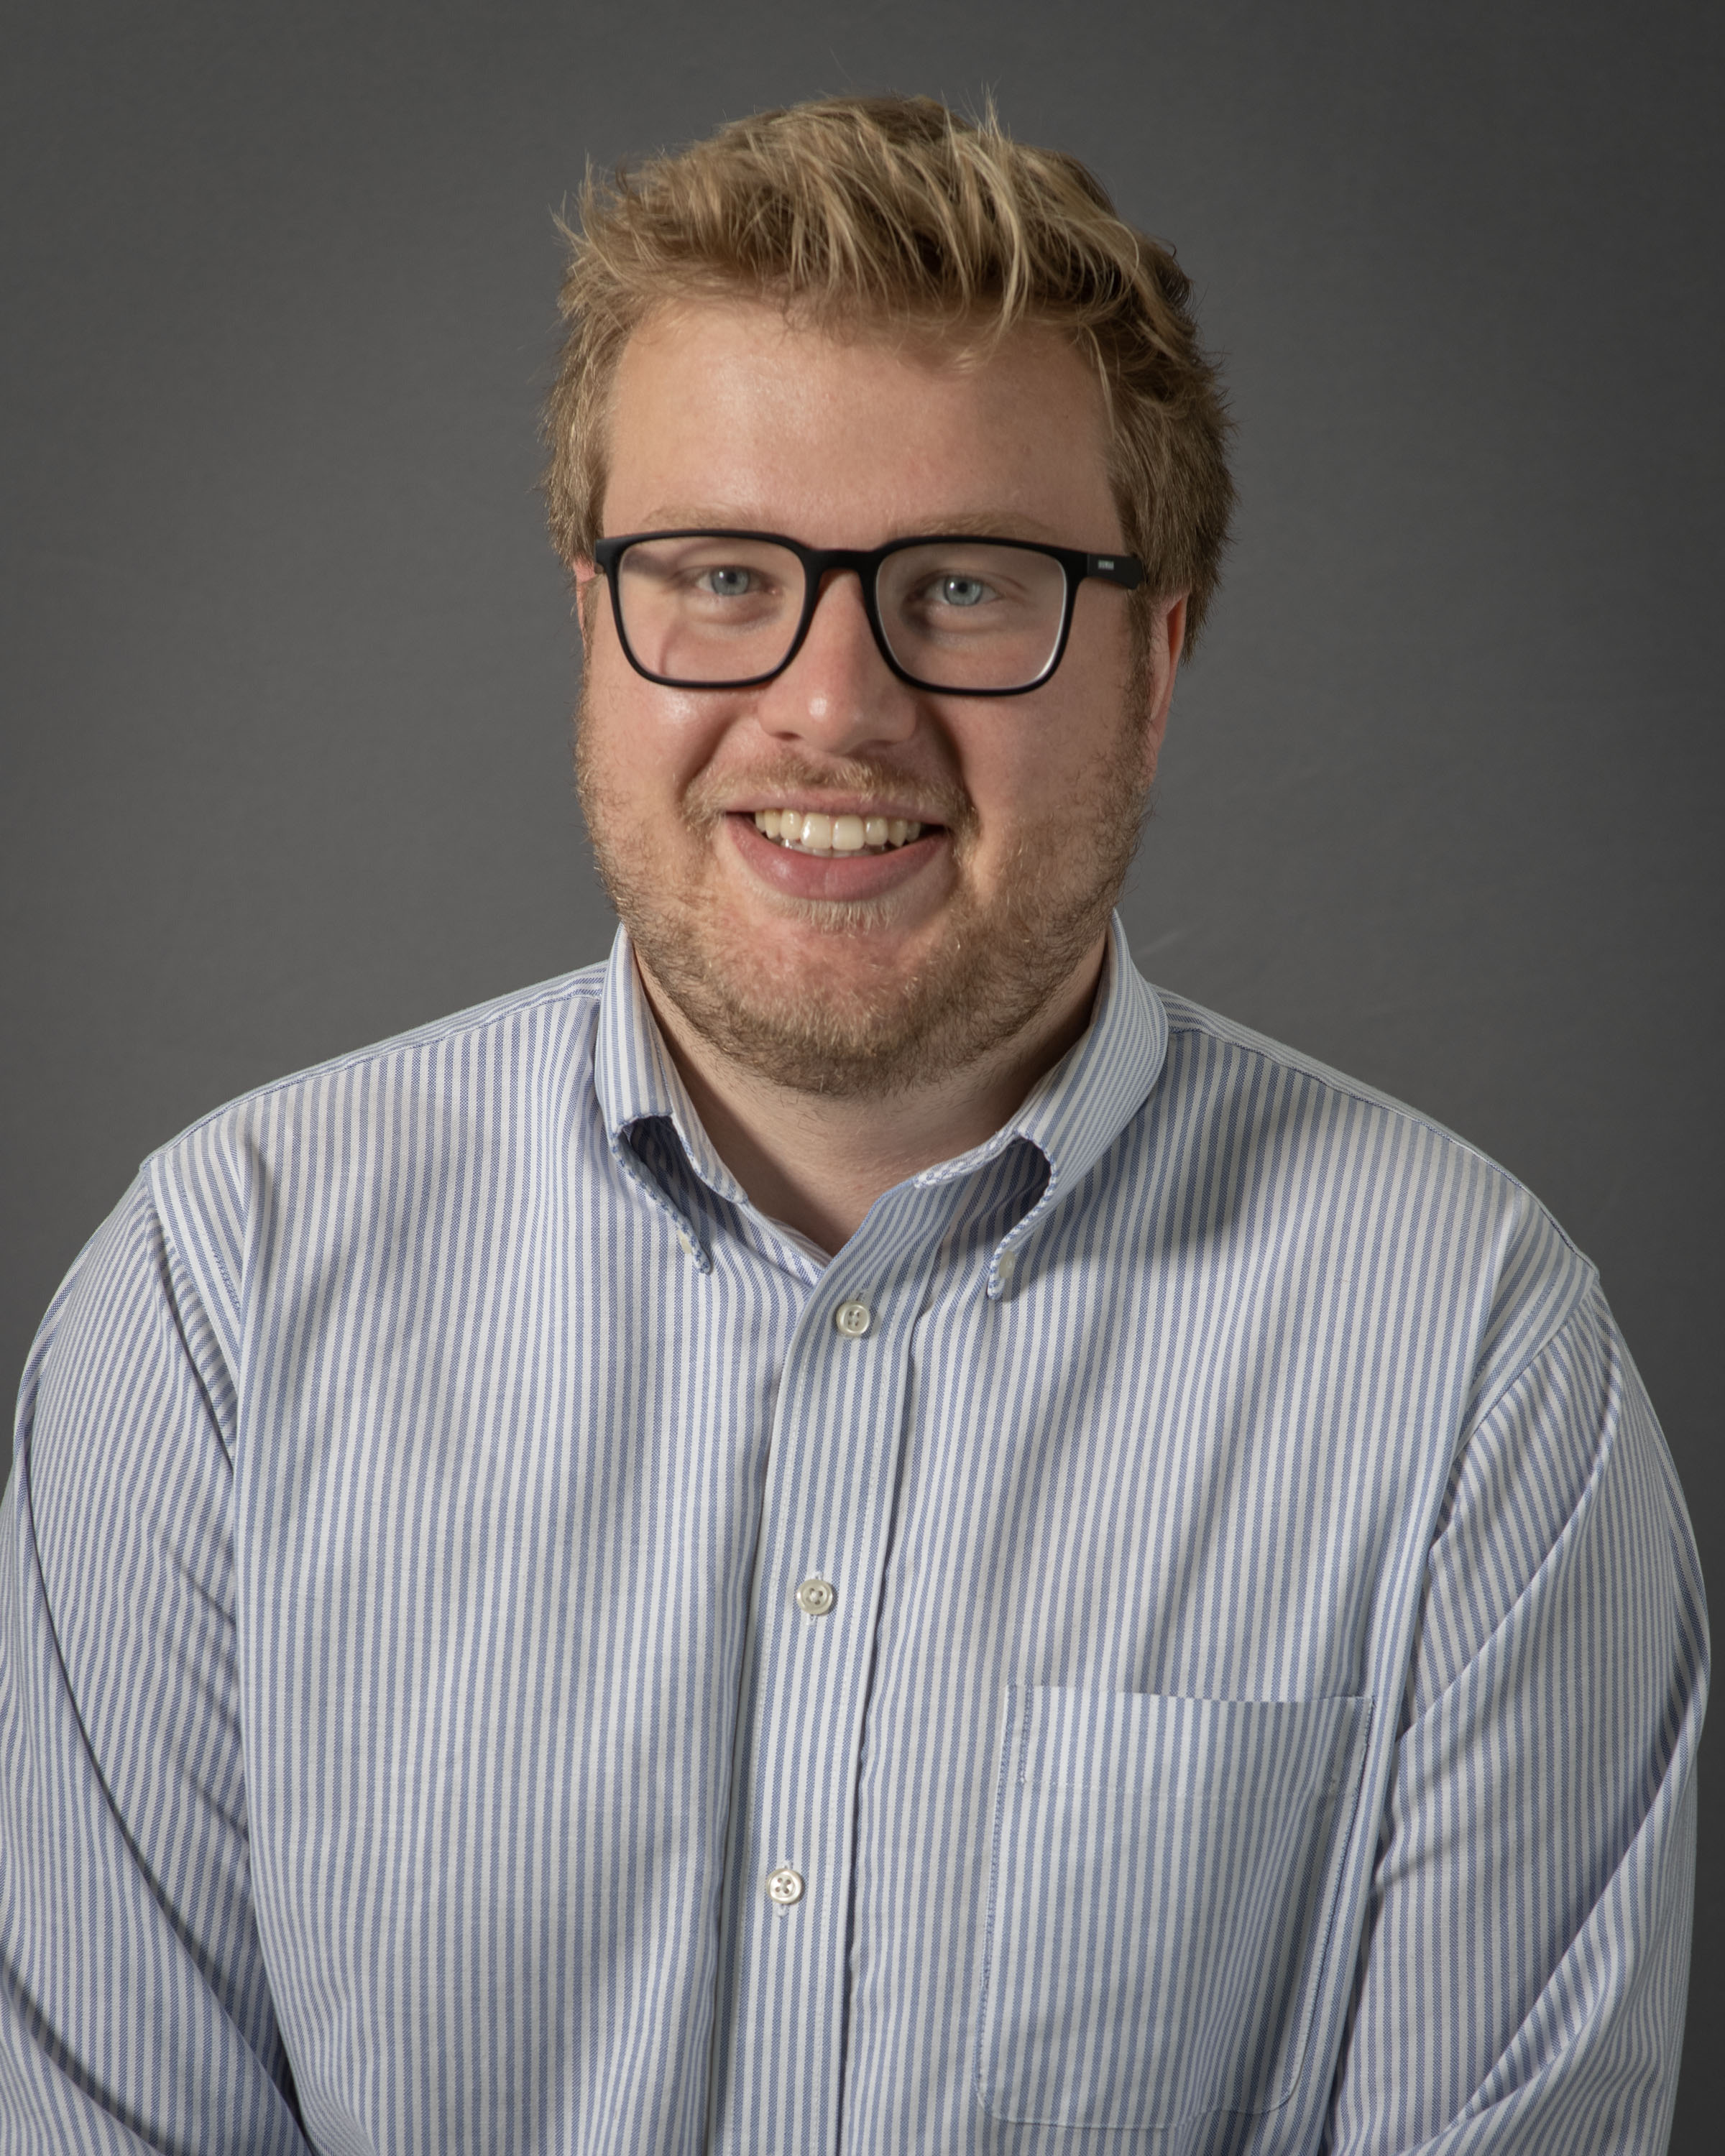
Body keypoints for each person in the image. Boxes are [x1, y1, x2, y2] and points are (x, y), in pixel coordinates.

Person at [0, 93, 1704, 2155]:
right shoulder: (217, 1306)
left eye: (968, 587)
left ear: (1157, 660)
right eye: (722, 573)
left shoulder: (1474, 1370)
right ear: (591, 617)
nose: (833, 706)